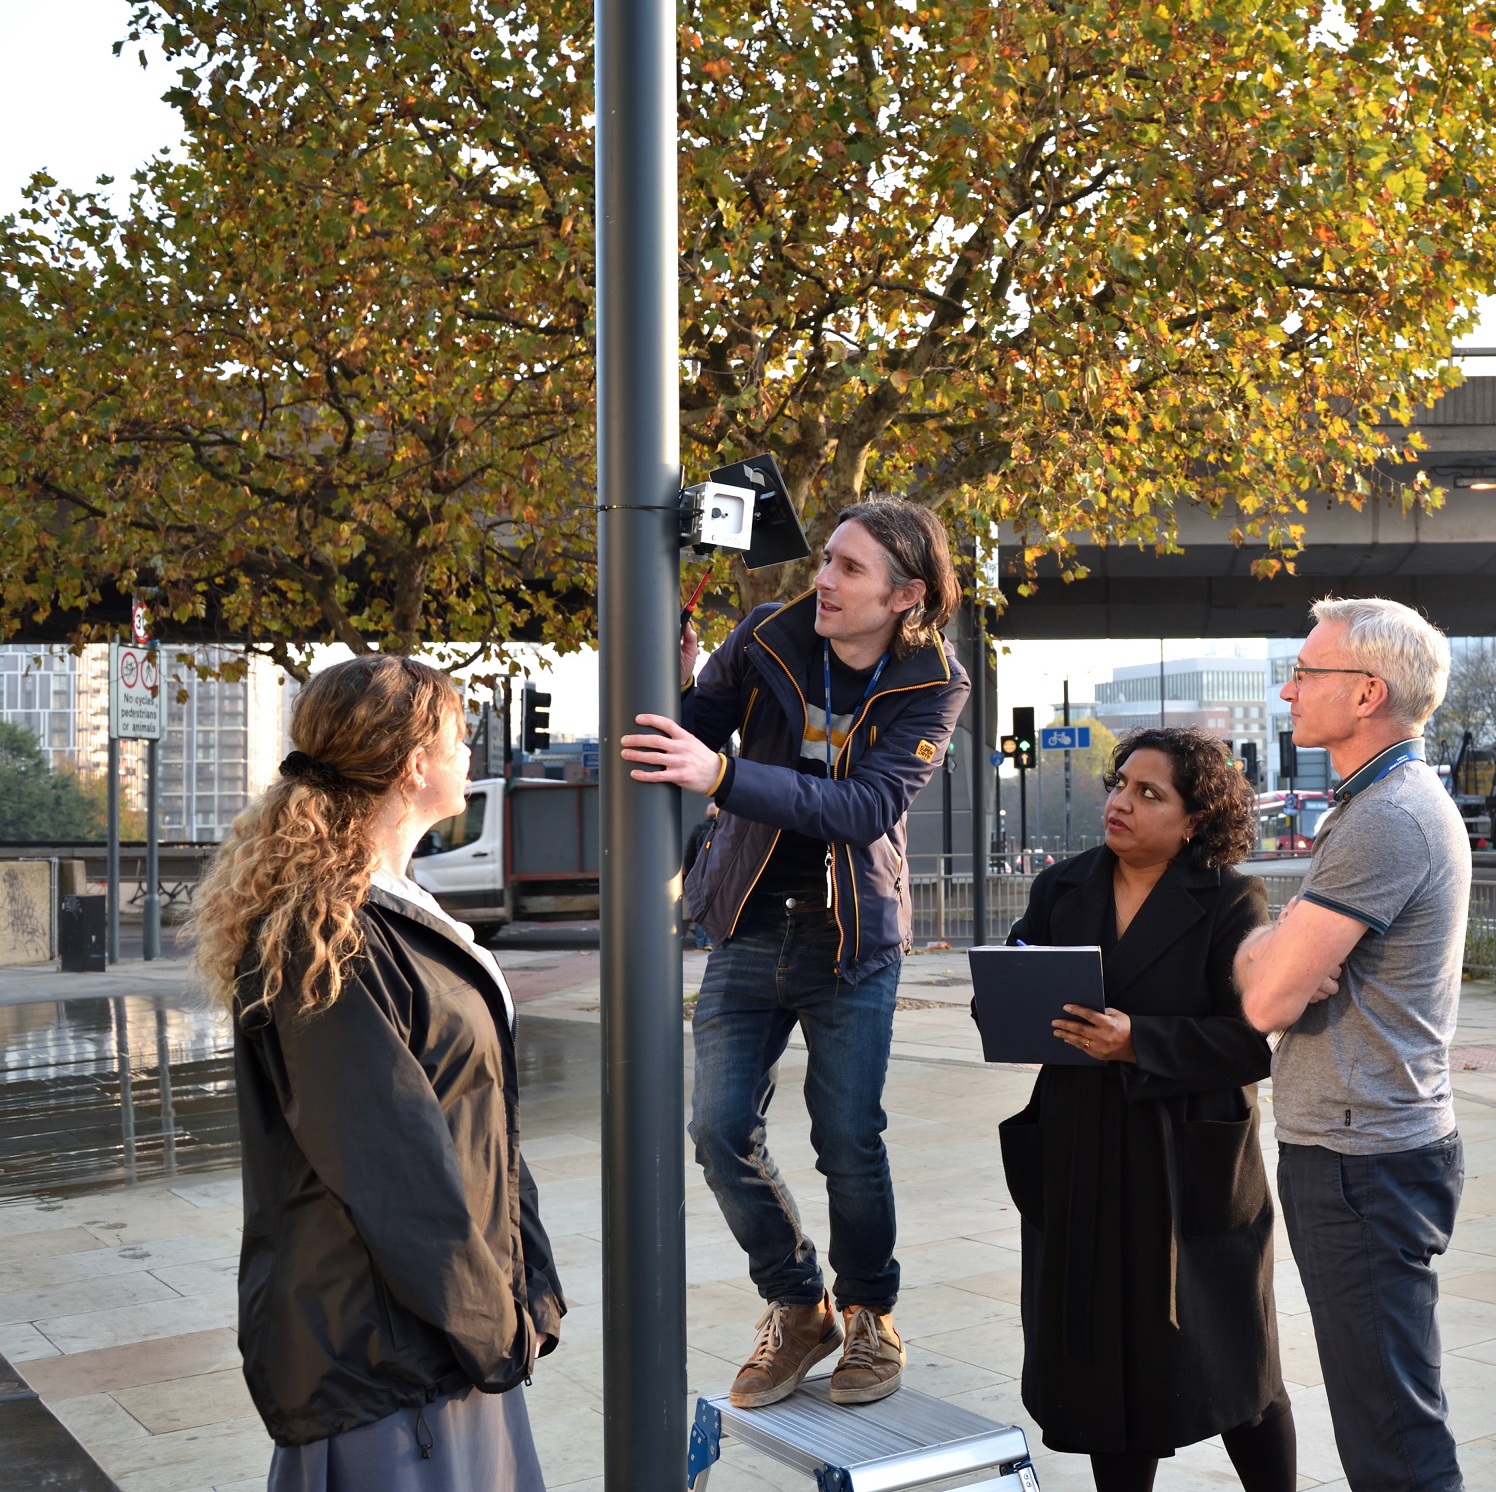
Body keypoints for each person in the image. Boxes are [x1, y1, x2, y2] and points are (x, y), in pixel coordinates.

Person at [618, 495, 968, 1409]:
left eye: (850, 569)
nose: (824, 580)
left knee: (848, 1140)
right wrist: (671, 661)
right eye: (827, 560)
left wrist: (725, 774)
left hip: (855, 937)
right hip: (747, 917)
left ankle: (869, 1316)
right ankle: (797, 1303)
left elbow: (866, 810)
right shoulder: (768, 635)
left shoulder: (934, 683)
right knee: (718, 1126)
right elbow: (688, 726)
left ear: (906, 595)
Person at [194, 655, 564, 1490]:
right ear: (413, 764)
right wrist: (491, 1324)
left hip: (444, 1334)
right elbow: (388, 1164)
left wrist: (524, 1288)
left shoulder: (396, 903)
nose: (472, 754)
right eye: (458, 736)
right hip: (384, 1361)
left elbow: (481, 1119)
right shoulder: (329, 935)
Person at [1000, 728, 1294, 1492]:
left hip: (1186, 1162)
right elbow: (1007, 986)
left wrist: (1142, 1043)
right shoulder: (1061, 888)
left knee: (1234, 1364)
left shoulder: (1234, 899)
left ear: (1194, 818)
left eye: (1149, 793)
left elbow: (1250, 1045)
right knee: (1106, 1371)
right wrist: (1011, 1009)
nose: (1121, 802)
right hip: (1081, 1151)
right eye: (1120, 784)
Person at [1234, 597, 1469, 1492]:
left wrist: (1273, 955)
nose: (1289, 690)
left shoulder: (1386, 819)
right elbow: (1280, 971)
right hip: (1366, 1146)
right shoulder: (1377, 803)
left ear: (1367, 692)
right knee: (1386, 1413)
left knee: (1392, 1438)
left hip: (1361, 1158)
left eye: (1308, 674)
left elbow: (1266, 999)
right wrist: (1281, 944)